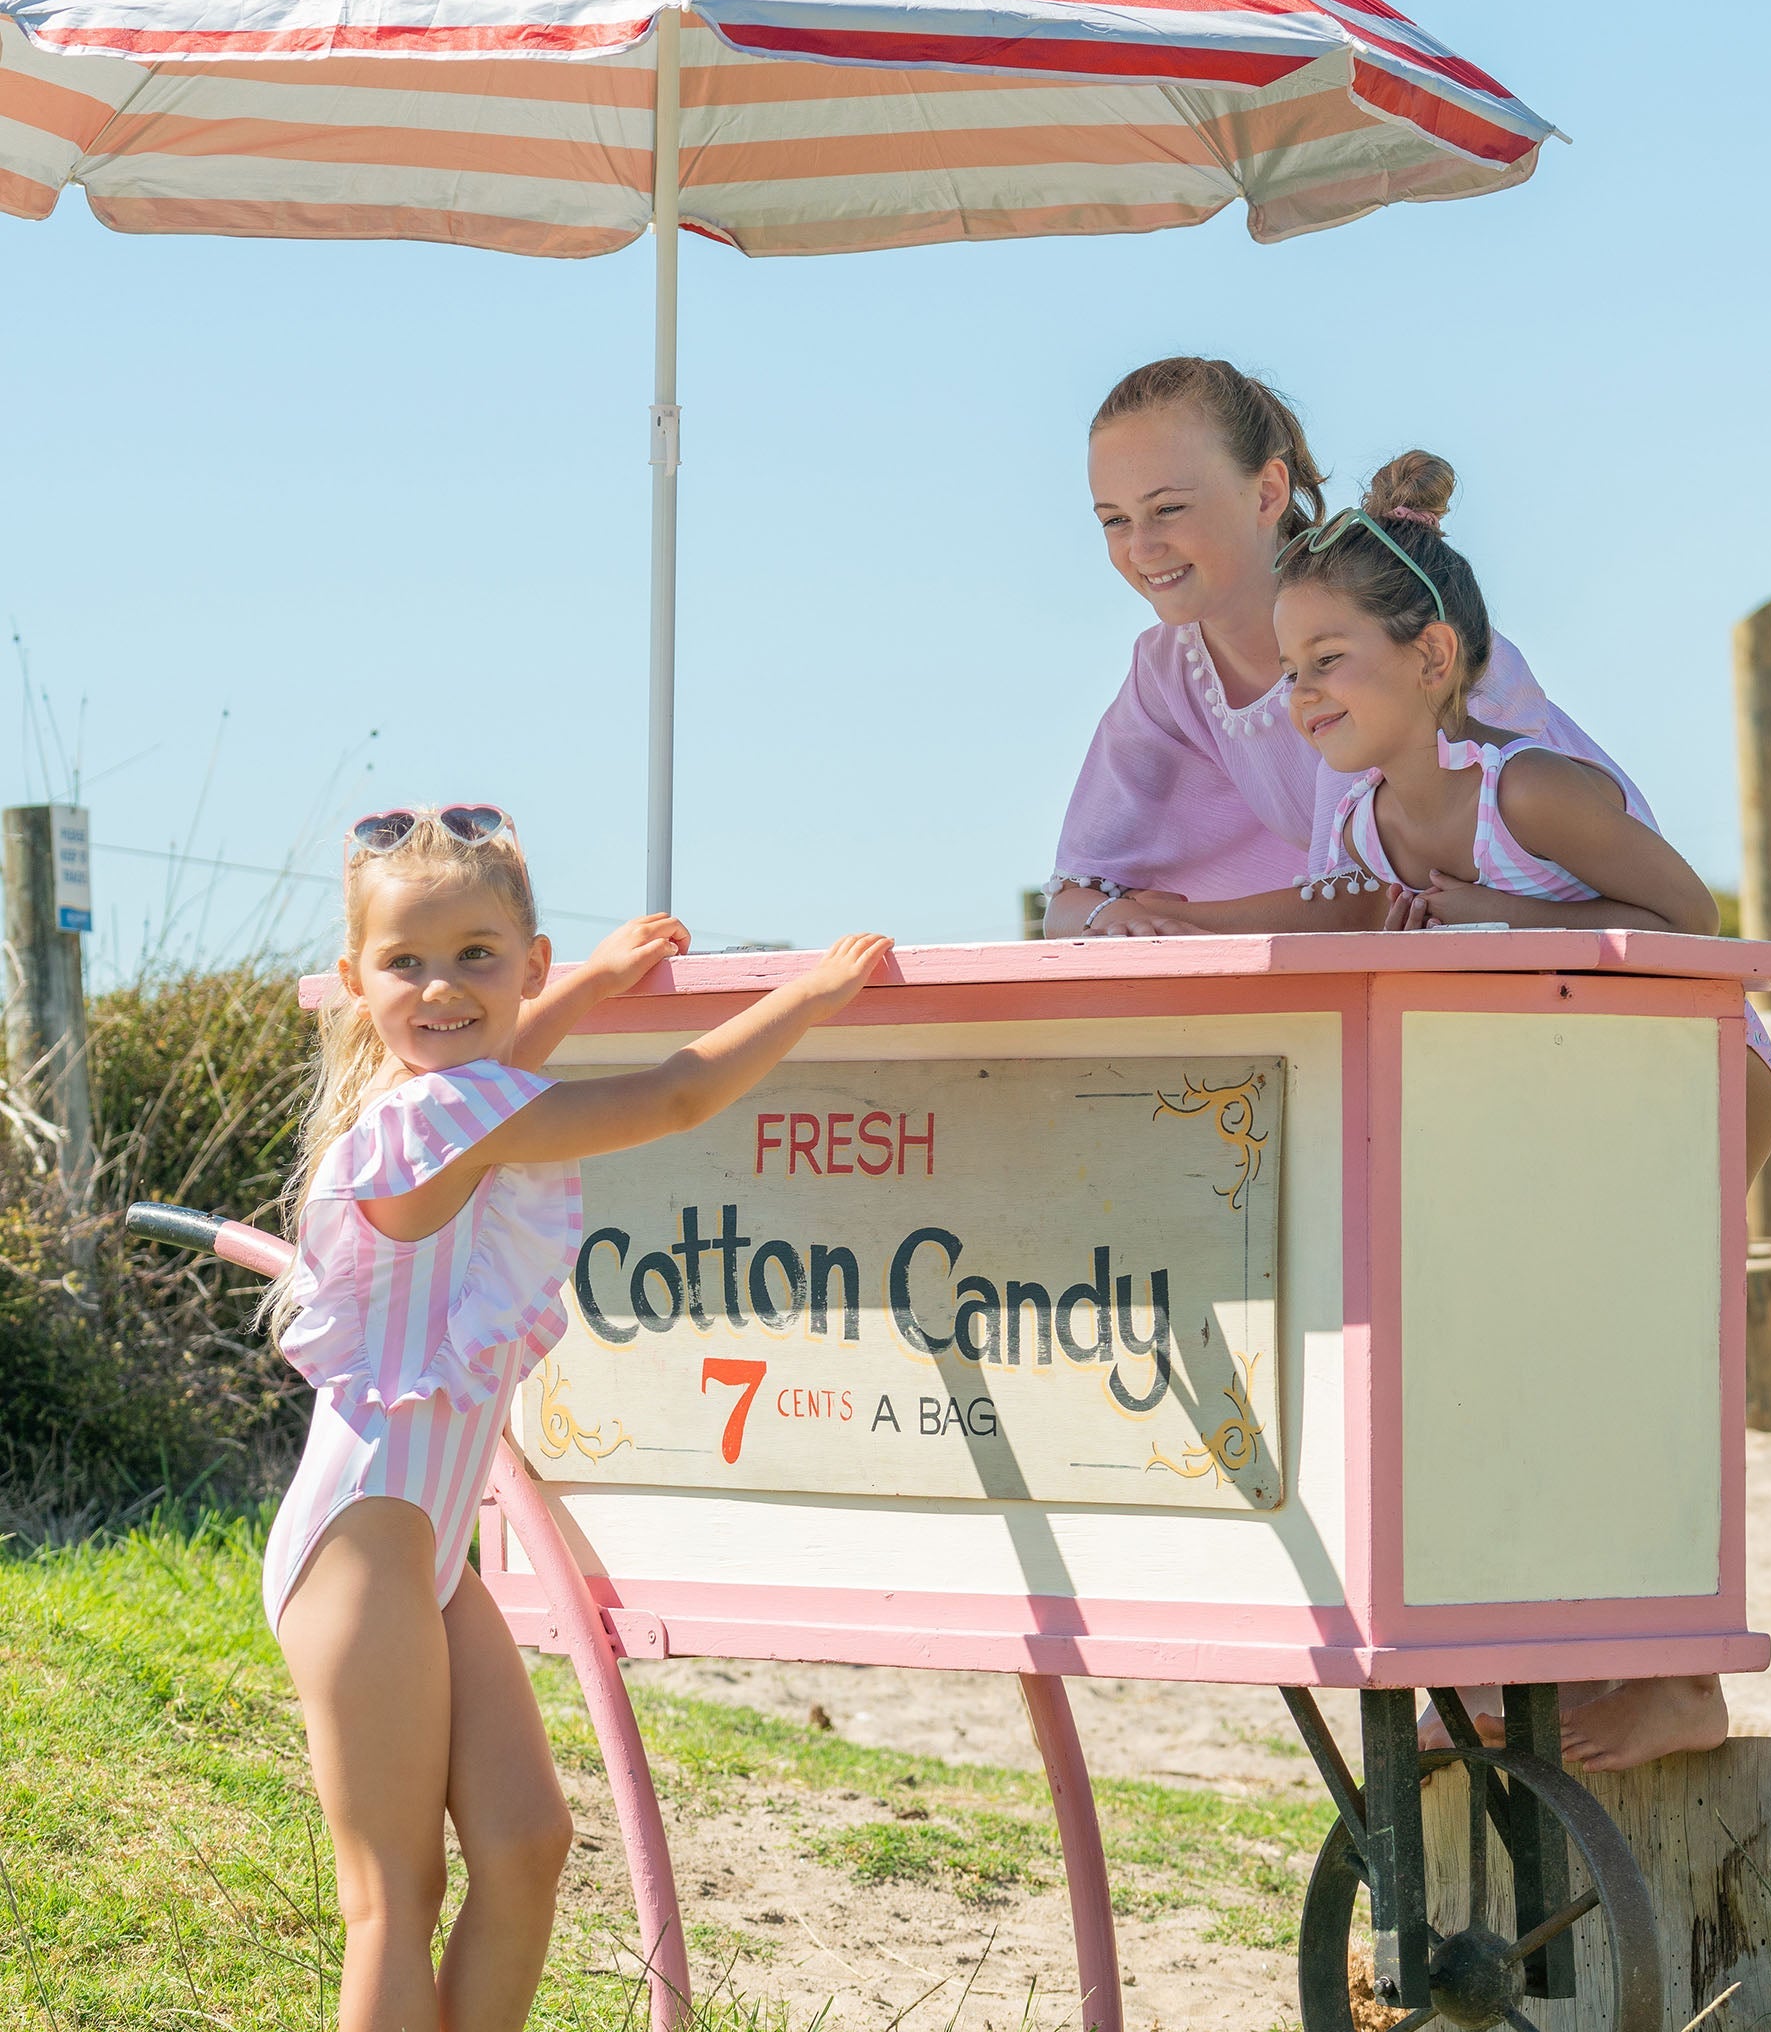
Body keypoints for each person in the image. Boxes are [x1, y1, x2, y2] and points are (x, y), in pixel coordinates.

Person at [255, 801, 890, 2031]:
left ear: (525, 962)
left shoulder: (461, 1089)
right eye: (406, 963)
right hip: (362, 1541)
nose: (440, 986)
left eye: (476, 955)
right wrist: (812, 996)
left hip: (423, 1551)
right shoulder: (418, 1116)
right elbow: (668, 1098)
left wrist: (596, 976)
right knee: (393, 1890)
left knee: (528, 1841)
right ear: (354, 981)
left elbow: (493, 1053)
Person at [1271, 452, 1771, 1772]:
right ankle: (1533, 1672)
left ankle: (1679, 1684)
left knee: (1627, 1362)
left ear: (1433, 657)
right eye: (1290, 669)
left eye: (1329, 658)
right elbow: (1316, 928)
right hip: (1545, 1112)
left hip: (1680, 1082)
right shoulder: (1367, 828)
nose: (1302, 692)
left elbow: (1693, 923)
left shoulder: (1534, 791)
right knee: (1496, 1365)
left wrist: (1507, 916)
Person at [1045, 355, 1642, 941]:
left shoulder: (1384, 624)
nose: (1142, 548)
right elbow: (1071, 897)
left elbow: (1384, 895)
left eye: (1168, 508)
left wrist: (1172, 926)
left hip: (1587, 948)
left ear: (1266, 492)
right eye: (1114, 520)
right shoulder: (1168, 669)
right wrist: (1108, 918)